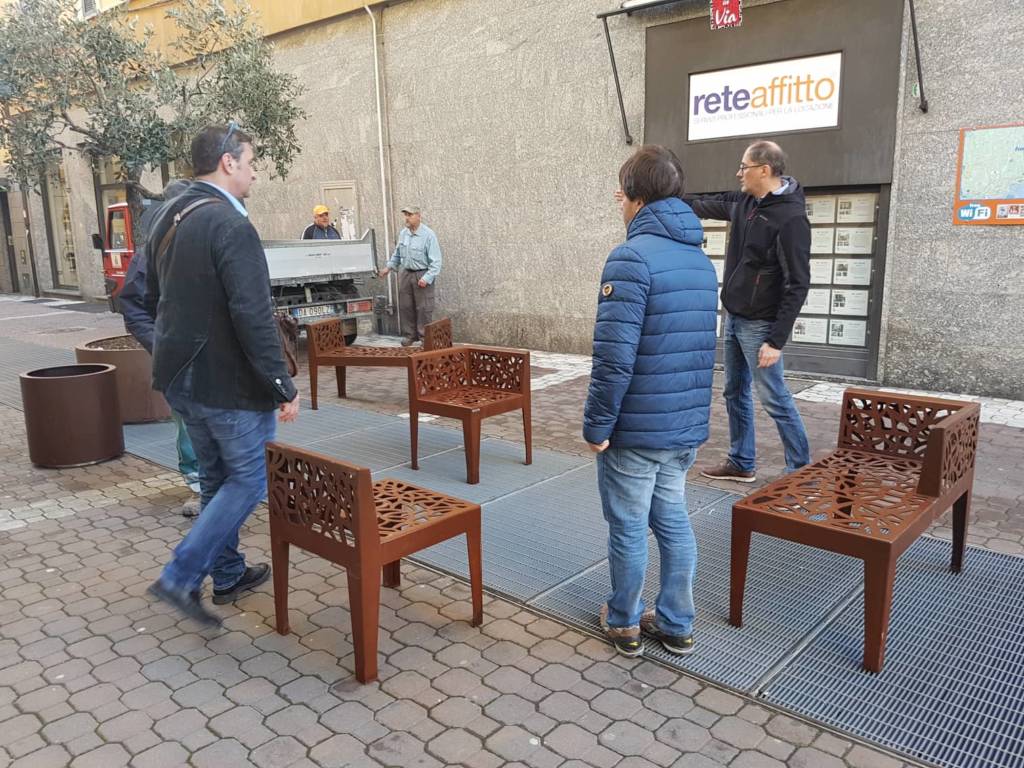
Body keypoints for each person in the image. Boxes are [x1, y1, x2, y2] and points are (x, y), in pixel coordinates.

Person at [145, 123, 300, 627]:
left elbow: (150, 298)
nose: (254, 172)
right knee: (250, 481)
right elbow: (253, 315)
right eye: (250, 162)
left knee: (216, 477)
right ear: (228, 162)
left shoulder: (169, 216)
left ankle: (228, 573)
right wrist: (282, 384)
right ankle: (180, 575)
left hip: (181, 379)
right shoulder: (231, 225)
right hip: (224, 385)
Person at [583, 145, 718, 658]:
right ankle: (678, 624)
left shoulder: (630, 258)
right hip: (682, 428)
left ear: (636, 198)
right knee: (673, 520)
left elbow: (614, 358)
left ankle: (624, 621)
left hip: (636, 429)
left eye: (621, 193)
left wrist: (597, 427)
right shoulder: (699, 260)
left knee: (628, 526)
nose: (618, 202)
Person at [683, 140, 812, 483]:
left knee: (774, 398)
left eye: (744, 167)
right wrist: (660, 197)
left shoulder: (790, 218)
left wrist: (776, 340)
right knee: (734, 392)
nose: (739, 173)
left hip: (760, 326)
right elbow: (707, 203)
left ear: (764, 170)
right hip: (735, 316)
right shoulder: (746, 202)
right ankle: (741, 461)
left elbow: (798, 284)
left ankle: (800, 470)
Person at [118, 179, 201, 518]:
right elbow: (133, 306)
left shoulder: (206, 243)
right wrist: (161, 344)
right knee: (188, 423)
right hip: (179, 360)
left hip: (214, 356)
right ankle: (199, 487)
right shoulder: (151, 251)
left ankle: (219, 486)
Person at [378, 205, 442, 346]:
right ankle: (410, 335)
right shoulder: (404, 234)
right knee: (406, 306)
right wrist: (388, 268)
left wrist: (426, 278)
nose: (407, 218)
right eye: (405, 215)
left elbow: (436, 261)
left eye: (410, 215)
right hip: (406, 274)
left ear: (418, 216)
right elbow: (397, 254)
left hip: (422, 274)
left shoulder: (428, 235)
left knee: (423, 308)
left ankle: (425, 338)